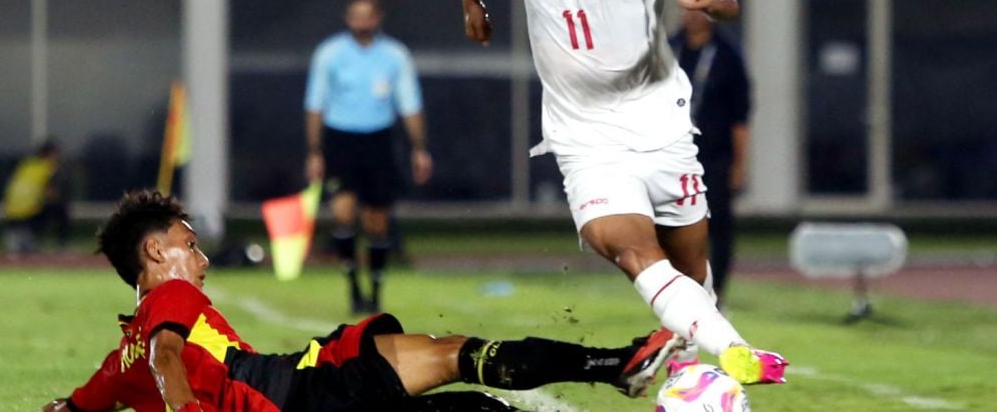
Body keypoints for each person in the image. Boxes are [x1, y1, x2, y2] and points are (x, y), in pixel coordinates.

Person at [460, 0, 785, 386]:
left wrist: (705, 2)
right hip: (585, 142)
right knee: (634, 250)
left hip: (663, 135)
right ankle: (739, 353)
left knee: (694, 276)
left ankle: (692, 365)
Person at [40, 190, 683, 412]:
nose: (202, 262)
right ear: (156, 256)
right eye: (190, 244)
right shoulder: (169, 301)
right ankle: (614, 366)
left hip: (299, 387)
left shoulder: (113, 367)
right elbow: (168, 353)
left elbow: (75, 405)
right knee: (456, 353)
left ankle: (616, 368)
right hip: (301, 389)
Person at [304, 0, 433, 314]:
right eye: (355, 15)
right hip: (341, 140)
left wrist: (419, 148)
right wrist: (315, 152)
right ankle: (352, 288)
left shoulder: (394, 55)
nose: (362, 21)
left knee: (377, 221)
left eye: (367, 15)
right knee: (343, 216)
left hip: (379, 140)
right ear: (348, 19)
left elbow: (410, 104)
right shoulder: (330, 54)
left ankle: (375, 290)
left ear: (378, 18)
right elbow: (315, 104)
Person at [671, 8, 751, 306]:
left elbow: (740, 117)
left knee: (717, 225)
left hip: (715, 156)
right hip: (674, 155)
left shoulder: (728, 56)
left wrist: (739, 165)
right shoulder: (669, 50)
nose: (691, 15)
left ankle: (717, 292)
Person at [2, 139, 68, 256]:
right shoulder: (49, 168)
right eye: (56, 153)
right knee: (59, 208)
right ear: (50, 154)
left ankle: (19, 236)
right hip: (29, 211)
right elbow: (51, 193)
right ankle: (60, 244)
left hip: (10, 211)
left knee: (47, 206)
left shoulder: (27, 165)